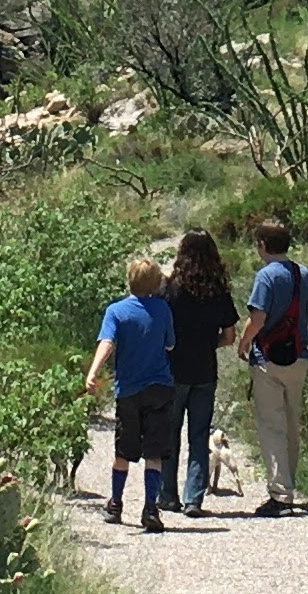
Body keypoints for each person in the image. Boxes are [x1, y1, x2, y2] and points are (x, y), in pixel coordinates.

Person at [83, 255, 181, 533]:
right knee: (155, 452)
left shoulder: (116, 311)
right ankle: (151, 508)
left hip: (128, 390)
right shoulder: (162, 310)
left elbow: (107, 342)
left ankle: (116, 503)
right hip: (160, 388)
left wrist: (93, 372)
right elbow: (170, 345)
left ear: (129, 280)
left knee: (123, 449)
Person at [165, 228, 239, 514]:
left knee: (169, 434)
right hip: (205, 370)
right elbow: (230, 336)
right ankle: (193, 497)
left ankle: (167, 496)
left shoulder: (170, 290)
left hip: (173, 371)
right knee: (199, 436)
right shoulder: (218, 292)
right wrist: (210, 344)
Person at [242, 215, 308, 516]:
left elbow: (257, 318)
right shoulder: (302, 273)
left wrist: (243, 343)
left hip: (268, 358)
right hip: (298, 355)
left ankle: (280, 495)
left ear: (262, 245)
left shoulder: (265, 276)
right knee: (293, 424)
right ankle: (289, 485)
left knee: (273, 426)